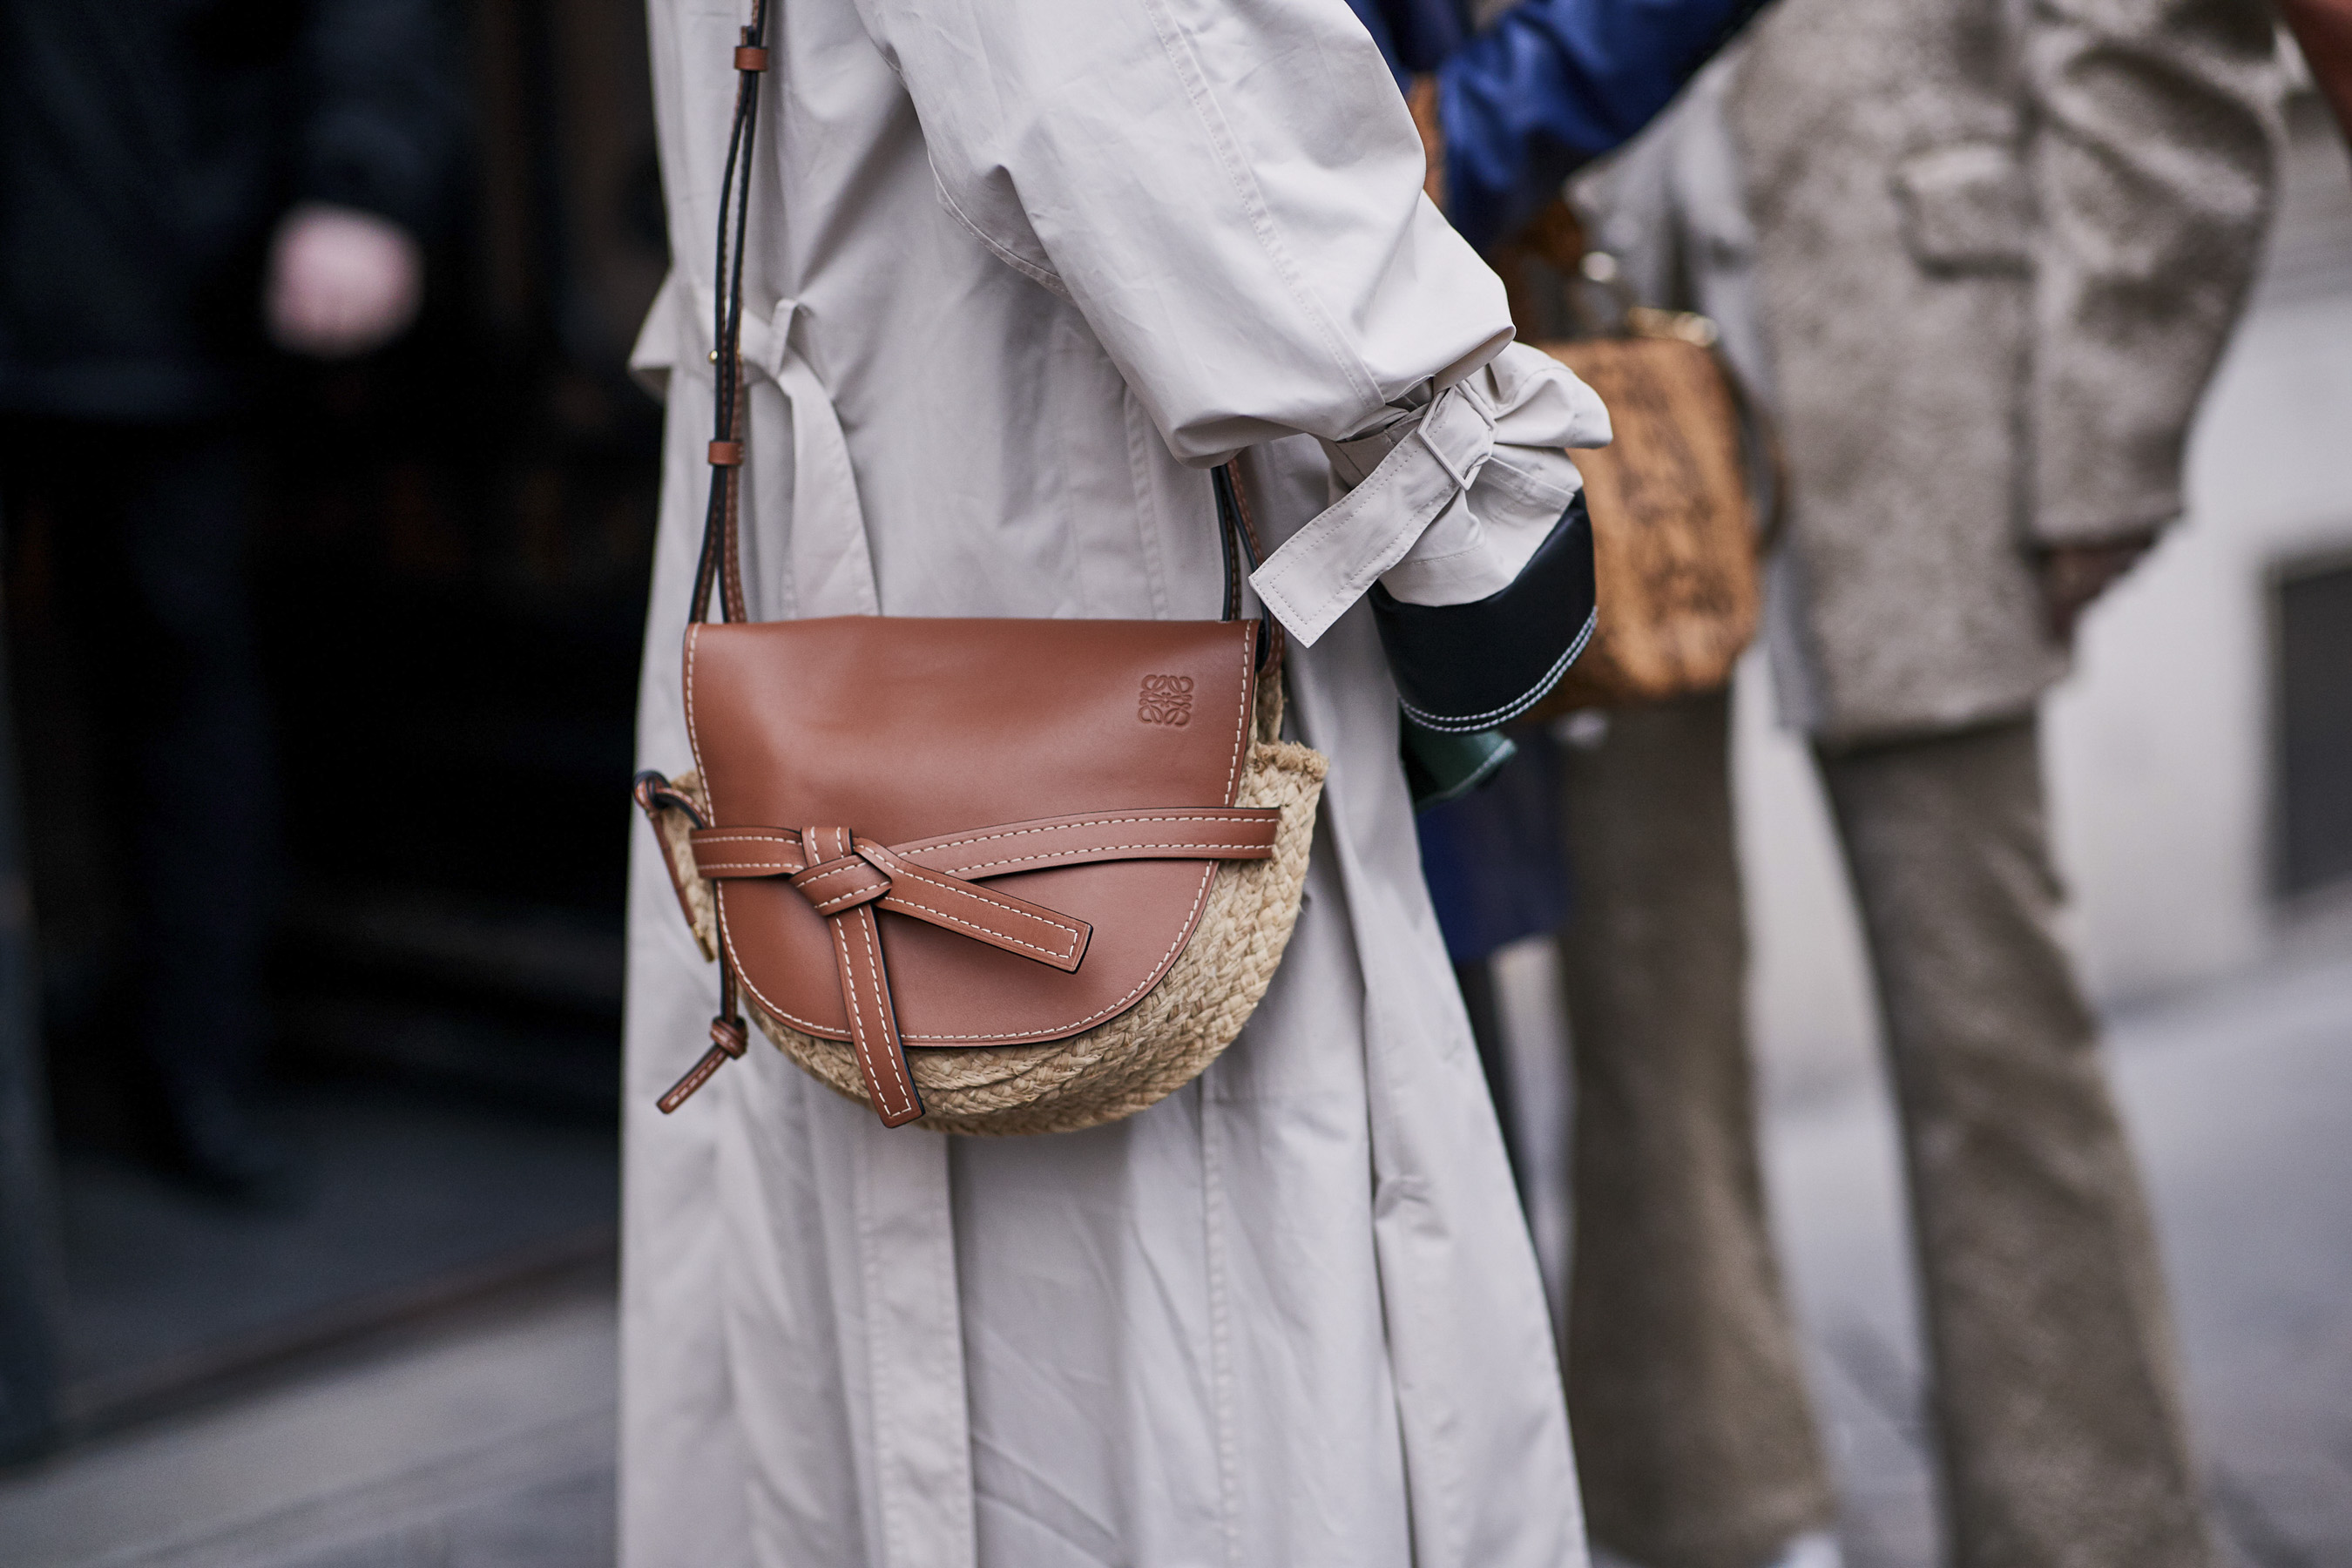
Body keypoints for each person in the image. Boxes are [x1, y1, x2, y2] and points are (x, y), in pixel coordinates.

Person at [618, 0, 1638, 1562]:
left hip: (858, 564)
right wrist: (1465, 470)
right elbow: (1151, 82)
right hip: (1066, 533)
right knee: (1175, 1377)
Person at [1554, 0, 2282, 1559]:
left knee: (1993, 1013)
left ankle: (2093, 1527)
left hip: (1923, 356)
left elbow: (2158, 37)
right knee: (1632, 997)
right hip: (1569, 377)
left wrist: (2104, 425)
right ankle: (1702, 1510)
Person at [0, 0, 453, 1197]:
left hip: (156, 272)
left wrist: (361, 181)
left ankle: (194, 1074)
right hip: (136, 252)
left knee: (182, 694)